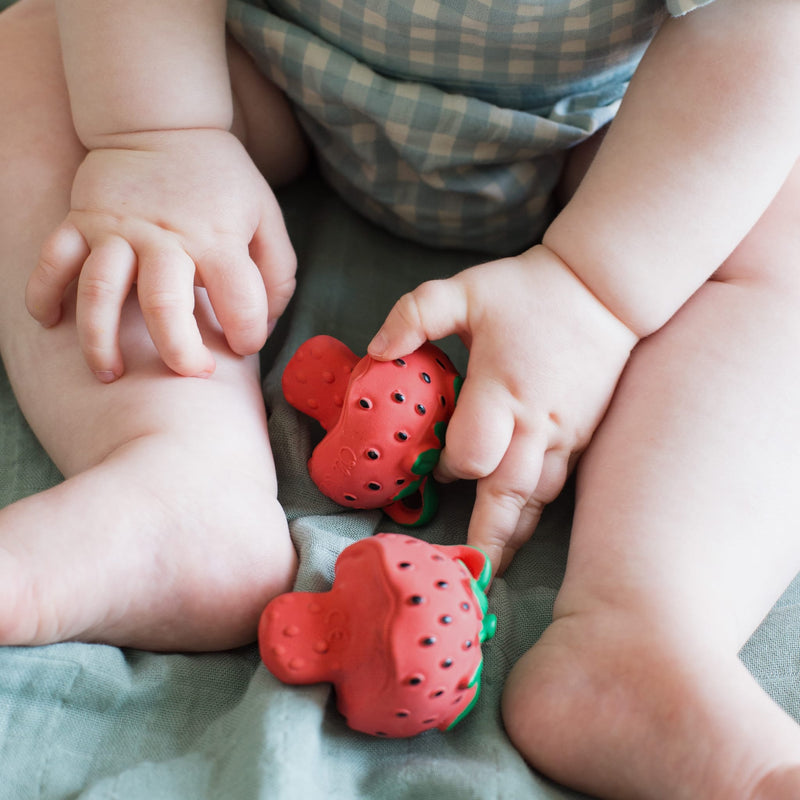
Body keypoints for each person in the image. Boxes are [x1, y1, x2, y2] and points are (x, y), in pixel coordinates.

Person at [1, 0, 799, 796]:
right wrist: (156, 136)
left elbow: (754, 29)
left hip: (620, 147)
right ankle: (177, 480)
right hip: (254, 73)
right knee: (33, 61)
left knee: (776, 210)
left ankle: (645, 621)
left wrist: (597, 293)